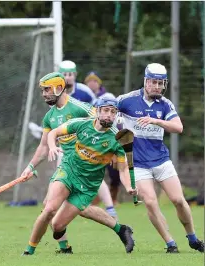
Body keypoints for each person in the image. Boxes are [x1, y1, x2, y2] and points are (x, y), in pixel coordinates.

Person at [21, 72, 136, 255]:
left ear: (59, 88)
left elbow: (103, 120)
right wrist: (30, 167)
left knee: (67, 211)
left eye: (46, 90)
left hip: (90, 170)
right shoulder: (49, 117)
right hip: (68, 163)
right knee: (50, 208)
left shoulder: (80, 108)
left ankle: (119, 229)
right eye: (42, 91)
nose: (44, 94)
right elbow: (44, 146)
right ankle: (57, 248)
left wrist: (116, 144)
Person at [116, 62, 204, 253]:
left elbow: (178, 127)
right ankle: (170, 243)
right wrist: (116, 129)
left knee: (179, 200)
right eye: (154, 82)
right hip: (138, 163)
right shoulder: (126, 100)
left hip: (161, 160)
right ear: (146, 81)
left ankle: (193, 238)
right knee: (150, 201)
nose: (157, 86)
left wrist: (155, 120)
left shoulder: (165, 105)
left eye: (161, 83)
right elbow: (105, 112)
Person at [59, 61, 118, 217]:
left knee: (93, 174)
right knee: (62, 177)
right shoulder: (56, 94)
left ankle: (110, 209)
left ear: (75, 75)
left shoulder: (85, 92)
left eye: (70, 74)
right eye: (65, 74)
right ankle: (58, 208)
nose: (68, 77)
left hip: (85, 141)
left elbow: (97, 112)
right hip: (65, 146)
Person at [85, 71, 121, 205]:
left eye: (94, 81)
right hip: (94, 139)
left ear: (98, 83)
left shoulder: (108, 97)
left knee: (114, 171)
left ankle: (114, 197)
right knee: (94, 169)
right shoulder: (86, 99)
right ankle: (93, 200)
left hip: (109, 138)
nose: (91, 83)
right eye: (89, 81)